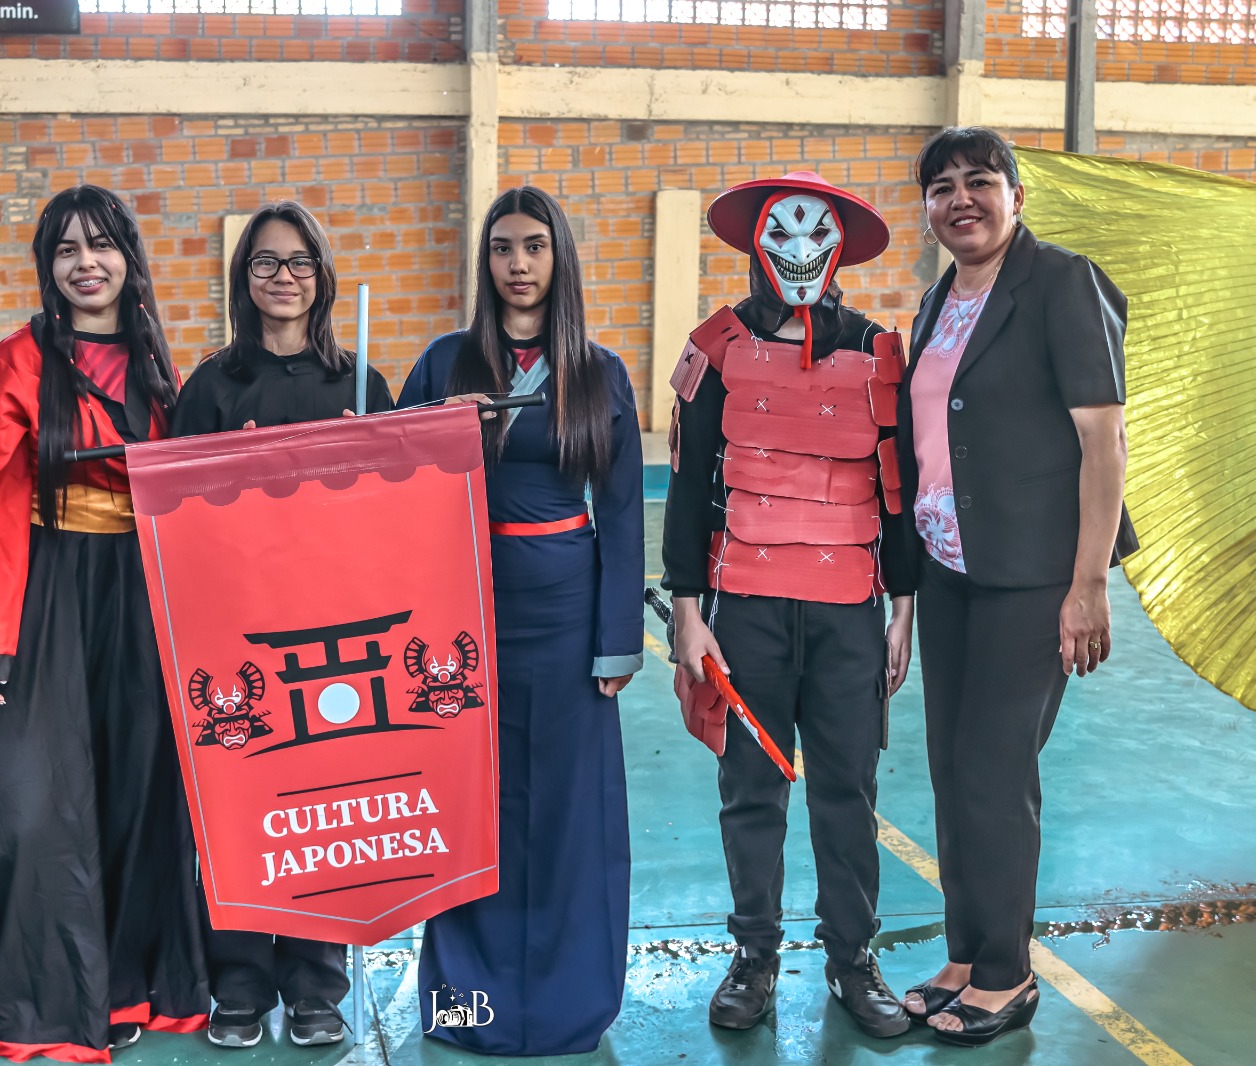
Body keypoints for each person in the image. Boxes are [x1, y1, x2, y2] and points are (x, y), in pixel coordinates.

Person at [0, 185, 211, 1062]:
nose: (85, 264)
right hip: (48, 589)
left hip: (141, 595)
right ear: (47, 268)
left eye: (101, 245)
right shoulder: (16, 362)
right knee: (38, 800)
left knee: (133, 788)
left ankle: (129, 981)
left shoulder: (163, 362)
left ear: (129, 256)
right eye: (65, 250)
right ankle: (42, 993)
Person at [661, 172, 914, 1039]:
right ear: (756, 243)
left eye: (816, 236)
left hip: (849, 611)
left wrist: (903, 608)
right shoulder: (716, 347)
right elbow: (690, 489)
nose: (800, 253)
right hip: (747, 613)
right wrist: (687, 613)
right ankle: (754, 956)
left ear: (839, 244)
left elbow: (897, 492)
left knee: (848, 789)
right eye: (783, 235)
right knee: (752, 788)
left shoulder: (879, 351)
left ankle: (853, 959)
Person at [896, 126, 1135, 1047]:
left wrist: (1087, 585)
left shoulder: (1061, 283)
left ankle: (1007, 975)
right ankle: (965, 953)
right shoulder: (933, 303)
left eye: (981, 181)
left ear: (1016, 195)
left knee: (997, 769)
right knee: (954, 771)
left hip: (1033, 579)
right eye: (942, 186)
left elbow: (1101, 440)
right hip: (952, 570)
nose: (962, 198)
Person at [397, 185, 644, 1055]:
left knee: (571, 811)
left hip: (570, 609)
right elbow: (394, 473)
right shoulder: (446, 362)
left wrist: (618, 638)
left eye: (534, 247)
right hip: (466, 608)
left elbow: (619, 508)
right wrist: (424, 431)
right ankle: (471, 1002)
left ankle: (572, 1001)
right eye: (503, 248)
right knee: (473, 807)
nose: (519, 265)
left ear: (558, 258)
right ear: (486, 262)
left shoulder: (599, 371)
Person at [171, 200, 392, 1048]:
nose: (284, 277)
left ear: (322, 276)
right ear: (244, 279)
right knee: (237, 813)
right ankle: (237, 981)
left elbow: (397, 516)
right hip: (234, 634)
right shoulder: (211, 387)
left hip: (334, 638)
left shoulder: (364, 385)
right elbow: (178, 519)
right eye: (266, 263)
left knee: (325, 813)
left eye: (299, 262)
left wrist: (367, 462)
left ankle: (315, 983)